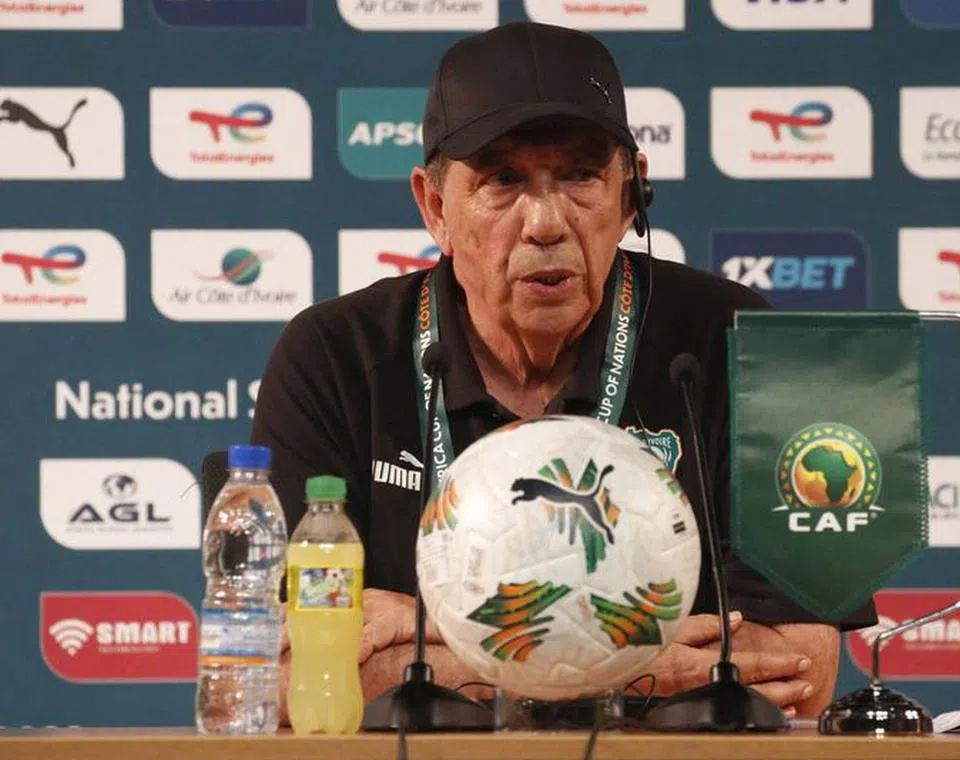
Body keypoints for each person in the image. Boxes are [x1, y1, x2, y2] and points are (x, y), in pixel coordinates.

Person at [251, 21, 875, 724]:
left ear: (631, 195)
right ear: (435, 207)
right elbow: (291, 674)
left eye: (580, 175)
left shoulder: (745, 341)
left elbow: (800, 670)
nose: (546, 221)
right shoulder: (334, 355)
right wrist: (648, 665)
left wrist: (428, 635)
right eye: (504, 180)